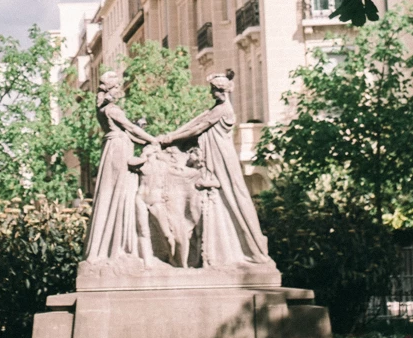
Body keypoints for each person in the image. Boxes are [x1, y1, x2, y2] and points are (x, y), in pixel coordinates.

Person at [157, 71, 272, 265]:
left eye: (213, 90)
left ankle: (252, 247)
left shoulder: (222, 109)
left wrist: (170, 138)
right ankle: (223, 250)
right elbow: (195, 122)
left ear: (221, 90)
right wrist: (173, 135)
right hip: (216, 155)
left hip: (221, 157)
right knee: (223, 198)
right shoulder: (217, 108)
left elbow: (198, 128)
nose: (211, 93)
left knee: (234, 195)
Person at [83, 71, 155, 262]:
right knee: (121, 193)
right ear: (110, 89)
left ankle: (111, 244)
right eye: (116, 87)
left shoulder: (102, 109)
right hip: (119, 149)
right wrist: (154, 140)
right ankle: (118, 247)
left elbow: (129, 131)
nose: (119, 90)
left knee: (114, 192)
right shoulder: (112, 110)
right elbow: (131, 129)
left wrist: (144, 139)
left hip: (113, 148)